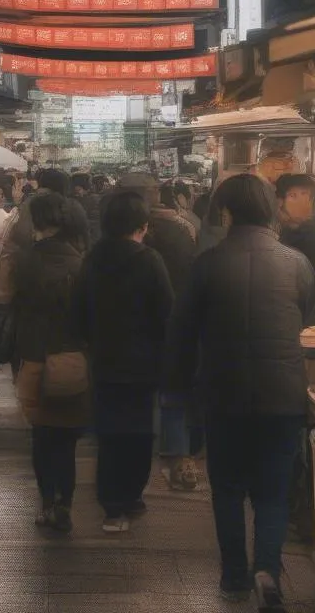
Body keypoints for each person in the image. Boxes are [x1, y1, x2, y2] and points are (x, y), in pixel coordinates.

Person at [167, 174, 315, 607]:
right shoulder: (296, 263)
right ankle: (267, 571)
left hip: (223, 395)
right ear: (271, 211)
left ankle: (234, 577)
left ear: (225, 212)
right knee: (273, 491)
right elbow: (305, 314)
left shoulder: (208, 264)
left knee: (229, 488)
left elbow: (181, 332)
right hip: (283, 396)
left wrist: (176, 394)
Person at [73, 191, 173, 534]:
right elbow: (166, 313)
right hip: (144, 363)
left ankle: (112, 507)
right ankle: (132, 496)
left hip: (104, 360)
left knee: (110, 434)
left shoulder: (92, 259)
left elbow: (80, 311)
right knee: (140, 433)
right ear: (143, 227)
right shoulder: (150, 261)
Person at [11, 192, 89, 533]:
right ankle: (66, 504)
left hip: (34, 358)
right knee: (67, 441)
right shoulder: (81, 263)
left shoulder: (24, 261)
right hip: (72, 360)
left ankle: (45, 503)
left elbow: (12, 309)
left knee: (42, 437)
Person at [116, 172, 199, 491]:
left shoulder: (120, 237)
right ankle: (177, 453)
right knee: (173, 390)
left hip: (132, 328)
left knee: (139, 393)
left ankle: (139, 451)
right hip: (175, 321)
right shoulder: (183, 228)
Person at [0, 168, 89, 307]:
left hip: (24, 283)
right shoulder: (67, 209)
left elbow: (8, 245)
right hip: (59, 283)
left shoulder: (25, 207)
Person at [275, 173, 315, 272]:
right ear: (280, 202)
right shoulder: (272, 231)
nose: (302, 202)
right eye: (293, 196)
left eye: (306, 196)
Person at [71, 171, 102, 244]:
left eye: (79, 190)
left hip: (88, 240)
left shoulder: (94, 200)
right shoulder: (70, 200)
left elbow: (95, 222)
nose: (77, 192)